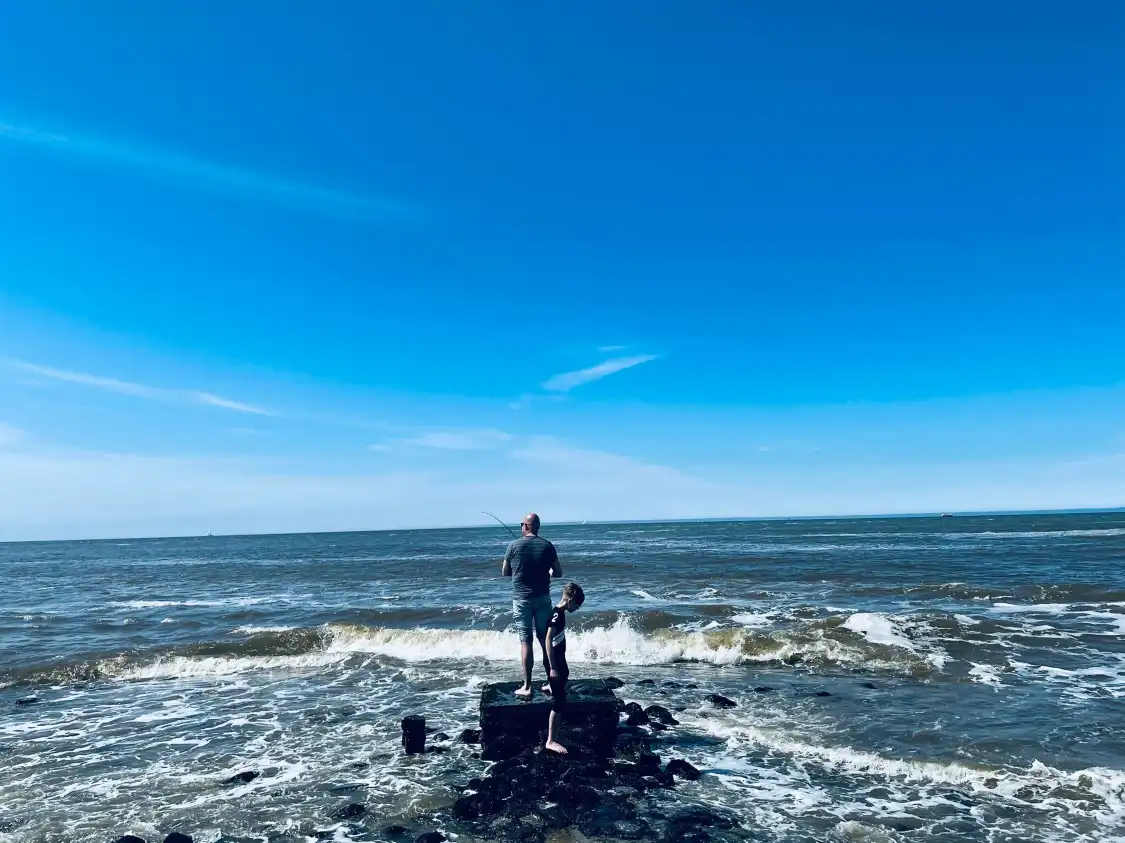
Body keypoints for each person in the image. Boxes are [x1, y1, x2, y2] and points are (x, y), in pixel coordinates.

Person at [501, 512, 562, 698]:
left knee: (525, 642)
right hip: (543, 599)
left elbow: (505, 572)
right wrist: (547, 571)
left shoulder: (513, 545)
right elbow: (558, 572)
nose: (521, 526)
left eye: (522, 523)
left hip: (521, 600)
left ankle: (527, 686)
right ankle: (551, 683)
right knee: (545, 640)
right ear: (537, 526)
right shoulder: (547, 545)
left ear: (526, 526)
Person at [544, 582, 585, 754]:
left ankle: (549, 685)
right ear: (569, 599)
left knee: (565, 673)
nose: (577, 608)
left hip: (559, 659)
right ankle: (551, 741)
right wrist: (552, 667)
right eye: (576, 605)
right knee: (559, 701)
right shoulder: (557, 615)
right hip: (554, 661)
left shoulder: (560, 612)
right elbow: (548, 639)